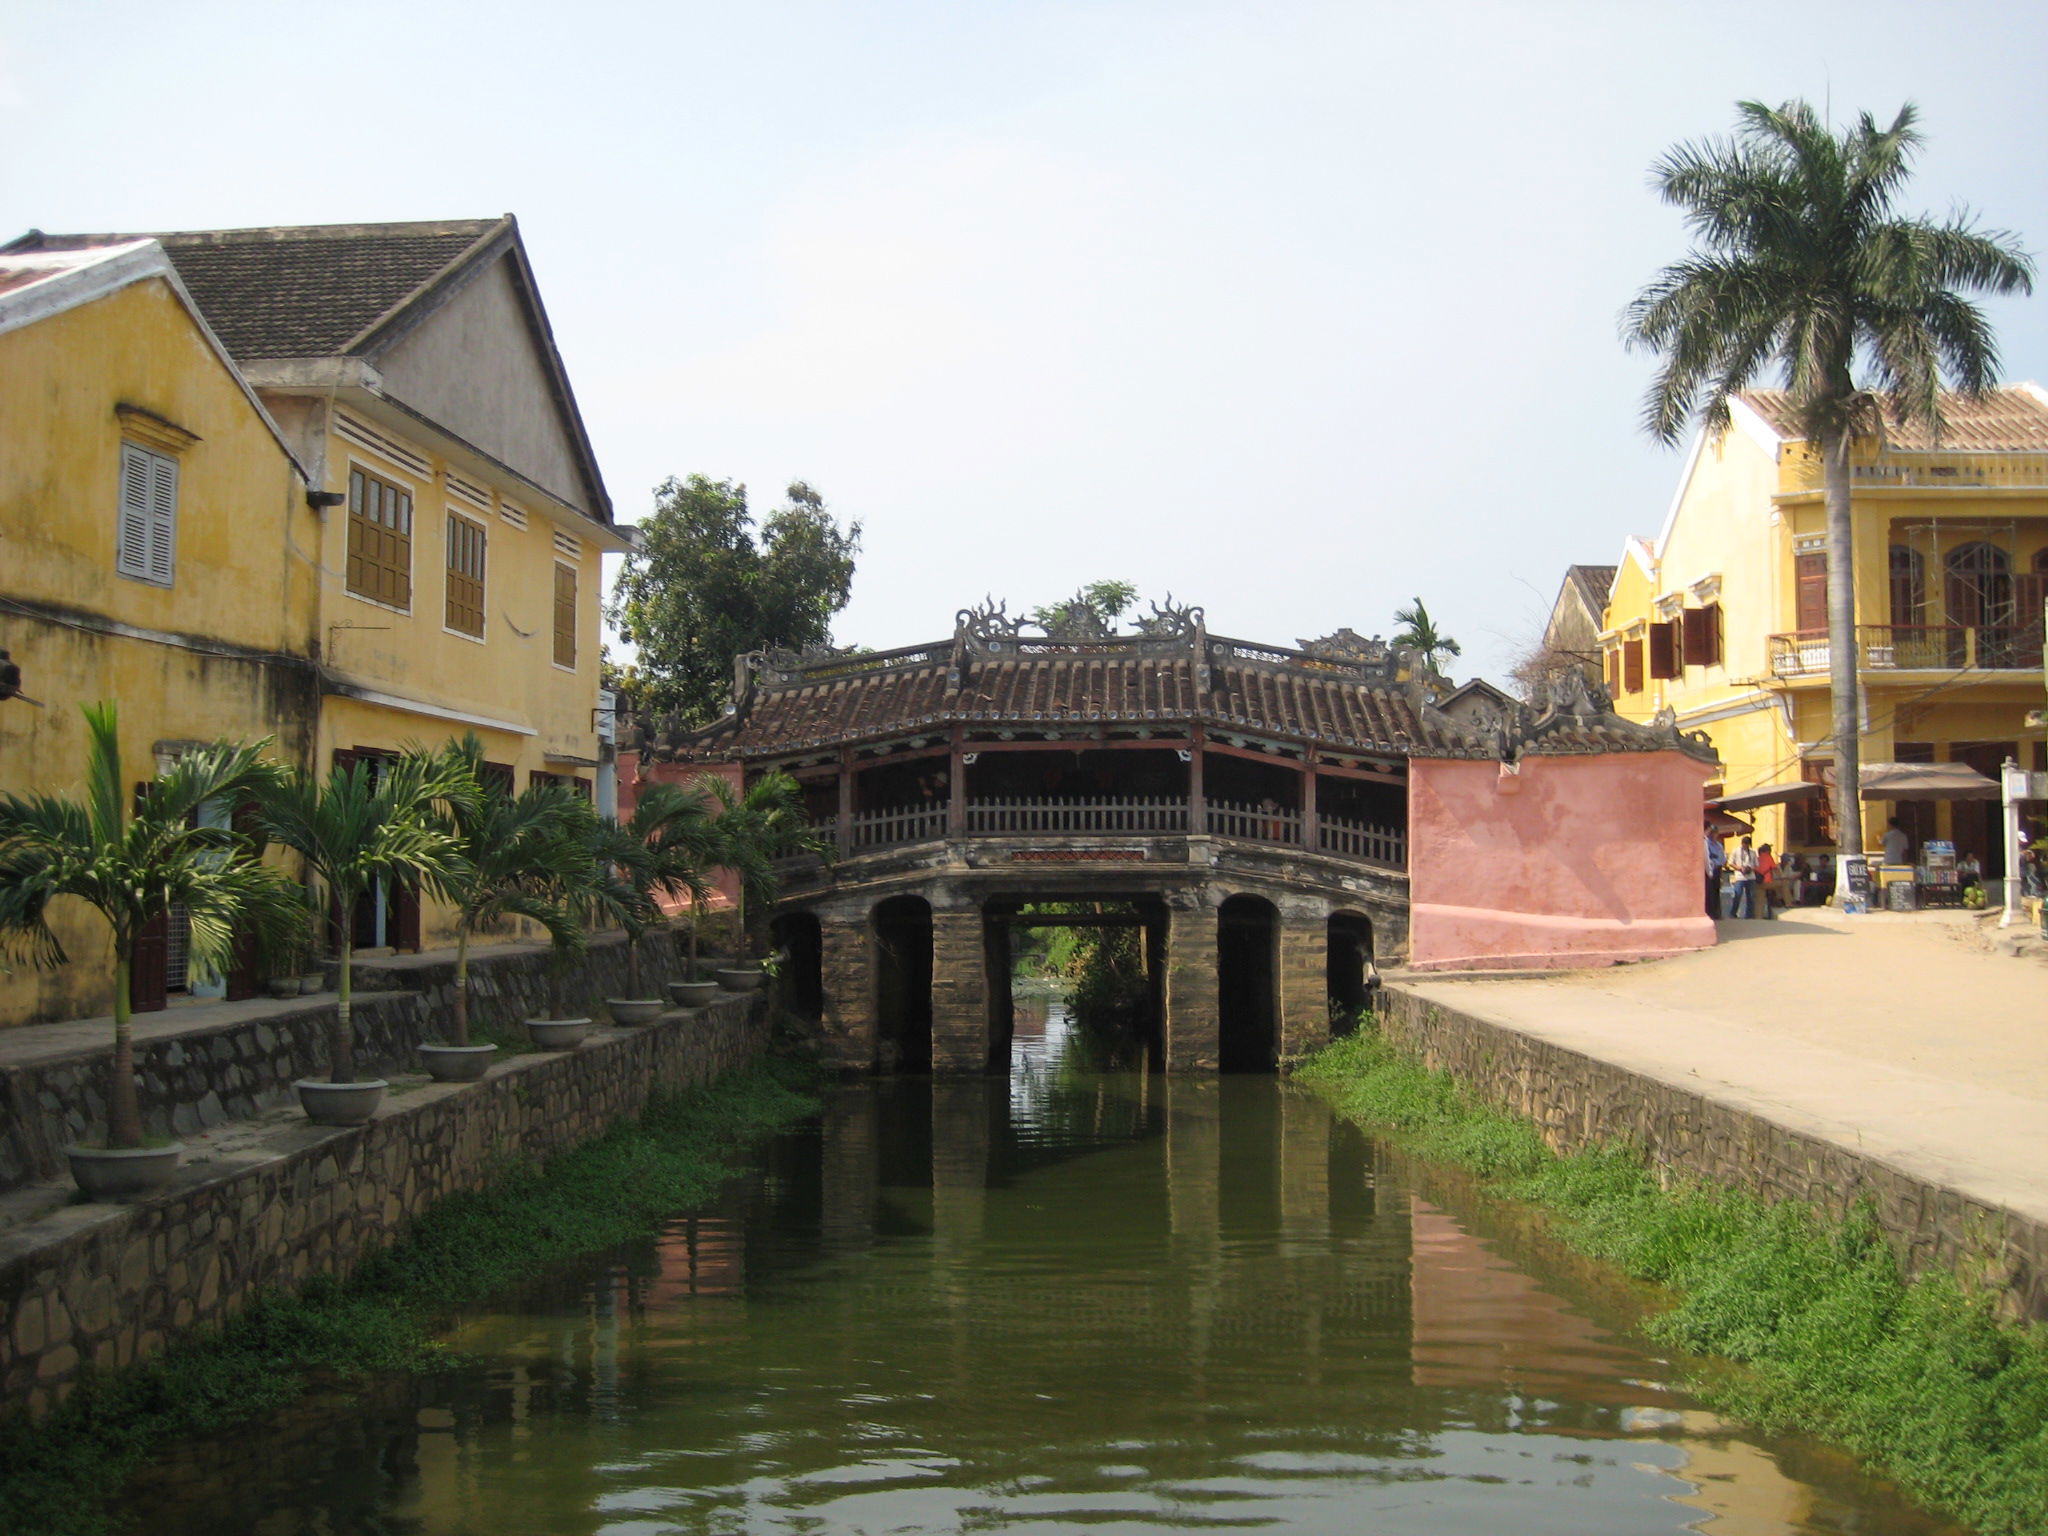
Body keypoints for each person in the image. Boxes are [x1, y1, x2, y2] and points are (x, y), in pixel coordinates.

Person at [1728, 835, 1759, 918]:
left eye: (1747, 844)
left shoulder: (1752, 853)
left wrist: (1750, 869)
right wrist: (1740, 868)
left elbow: (1756, 865)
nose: (1745, 846)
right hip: (1739, 877)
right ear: (1742, 843)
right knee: (1737, 895)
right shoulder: (1736, 851)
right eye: (1744, 844)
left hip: (1751, 876)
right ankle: (1733, 913)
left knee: (1751, 897)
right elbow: (1730, 863)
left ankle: (1749, 915)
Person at [1705, 830, 1727, 917]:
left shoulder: (1719, 845)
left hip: (1718, 868)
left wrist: (1721, 863)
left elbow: (1723, 858)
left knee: (1717, 890)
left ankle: (1717, 912)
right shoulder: (1707, 843)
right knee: (1710, 891)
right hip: (1710, 868)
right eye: (1713, 834)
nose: (1715, 836)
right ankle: (1711, 912)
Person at [1755, 842, 1778, 918]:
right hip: (1768, 883)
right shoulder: (1769, 857)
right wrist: (1781, 876)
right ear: (1768, 851)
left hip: (1758, 883)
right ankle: (1788, 903)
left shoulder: (1757, 859)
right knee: (1784, 884)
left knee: (1759, 901)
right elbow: (1775, 869)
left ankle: (1758, 917)